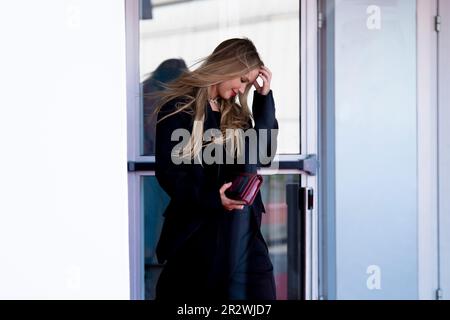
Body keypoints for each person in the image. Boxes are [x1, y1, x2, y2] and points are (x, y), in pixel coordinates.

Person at [153, 38, 278, 301]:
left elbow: (264, 154)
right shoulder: (179, 109)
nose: (242, 89)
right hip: (200, 233)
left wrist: (264, 98)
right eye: (243, 80)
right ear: (227, 67)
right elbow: (169, 173)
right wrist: (213, 197)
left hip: (243, 232)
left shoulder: (236, 115)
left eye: (249, 84)